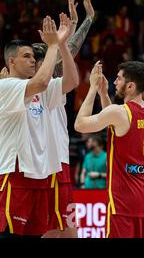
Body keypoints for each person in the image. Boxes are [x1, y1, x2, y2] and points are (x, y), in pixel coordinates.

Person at [0, 14, 78, 237]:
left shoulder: (41, 91)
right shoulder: (6, 86)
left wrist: (61, 45)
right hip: (15, 173)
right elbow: (41, 81)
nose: (33, 60)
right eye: (26, 56)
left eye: (34, 56)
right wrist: (52, 45)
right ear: (11, 62)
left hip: (40, 174)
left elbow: (71, 82)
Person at [74, 60, 144, 238]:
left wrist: (92, 88)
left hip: (123, 200)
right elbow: (115, 123)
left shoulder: (120, 112)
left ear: (130, 86)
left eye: (119, 79)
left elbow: (80, 125)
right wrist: (103, 93)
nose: (114, 82)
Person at [44, 0, 95, 238]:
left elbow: (68, 50)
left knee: (69, 230)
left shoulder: (52, 84)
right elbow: (66, 51)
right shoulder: (29, 85)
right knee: (47, 229)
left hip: (58, 165)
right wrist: (81, 22)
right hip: (40, 166)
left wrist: (81, 21)